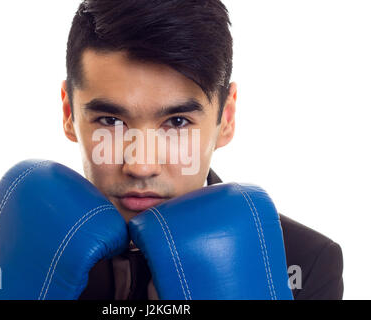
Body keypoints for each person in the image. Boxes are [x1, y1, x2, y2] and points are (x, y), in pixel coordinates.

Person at [58, 0, 343, 300]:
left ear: (226, 119)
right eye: (111, 121)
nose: (141, 166)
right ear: (68, 113)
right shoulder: (18, 249)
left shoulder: (304, 263)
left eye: (177, 122)